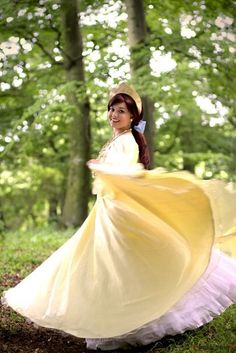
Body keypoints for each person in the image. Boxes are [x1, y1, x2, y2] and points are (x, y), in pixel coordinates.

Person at [2, 83, 236, 351]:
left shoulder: (127, 142)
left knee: (124, 268)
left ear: (133, 116)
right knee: (103, 266)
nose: (114, 114)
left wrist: (103, 170)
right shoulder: (119, 139)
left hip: (118, 215)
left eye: (121, 111)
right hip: (107, 213)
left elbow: (126, 174)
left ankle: (148, 321)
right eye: (112, 109)